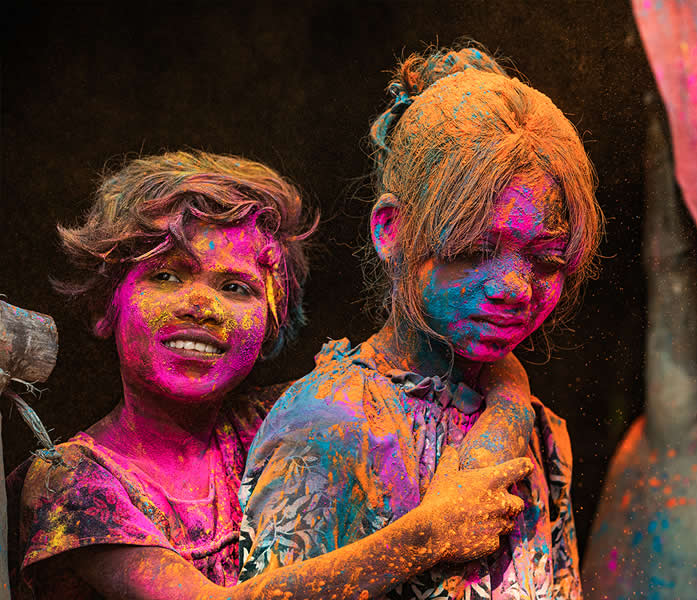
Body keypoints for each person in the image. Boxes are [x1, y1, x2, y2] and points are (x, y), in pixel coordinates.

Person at [11, 150, 535, 599]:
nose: (200, 305)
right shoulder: (72, 480)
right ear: (107, 306)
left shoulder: (286, 418)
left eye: (235, 287)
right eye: (165, 276)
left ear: (272, 321)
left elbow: (421, 369)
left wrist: (507, 382)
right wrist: (426, 536)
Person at [239, 45, 603, 599]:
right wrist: (422, 540)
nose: (514, 288)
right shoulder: (331, 423)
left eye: (547, 261)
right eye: (476, 250)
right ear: (391, 230)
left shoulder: (541, 430)